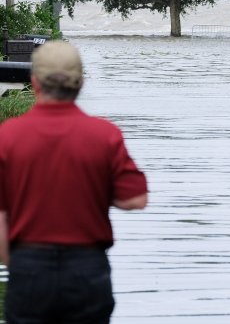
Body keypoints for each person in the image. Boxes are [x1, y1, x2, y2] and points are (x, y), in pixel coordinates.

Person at [0, 40, 148, 324]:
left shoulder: (8, 135)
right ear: (80, 83)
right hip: (86, 269)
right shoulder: (104, 134)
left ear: (35, 82)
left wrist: (18, 265)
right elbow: (135, 199)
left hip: (29, 267)